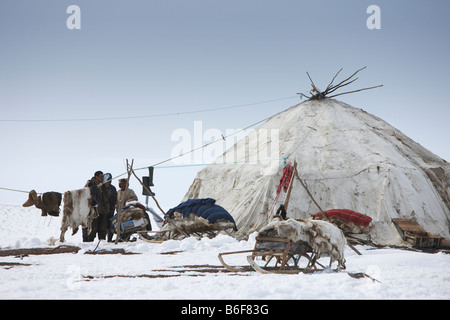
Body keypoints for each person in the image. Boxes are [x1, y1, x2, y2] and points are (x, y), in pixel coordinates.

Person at [83, 170, 110, 242]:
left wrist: (107, 188)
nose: (102, 178)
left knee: (102, 229)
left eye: (103, 177)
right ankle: (89, 244)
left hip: (103, 210)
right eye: (101, 177)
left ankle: (102, 243)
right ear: (96, 177)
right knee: (93, 228)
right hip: (94, 211)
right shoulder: (91, 184)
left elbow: (107, 197)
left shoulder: (103, 185)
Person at [103, 173, 117, 242]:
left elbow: (113, 200)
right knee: (103, 226)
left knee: (110, 226)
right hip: (102, 211)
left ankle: (109, 239)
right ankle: (102, 240)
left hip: (110, 211)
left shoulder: (112, 189)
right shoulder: (101, 188)